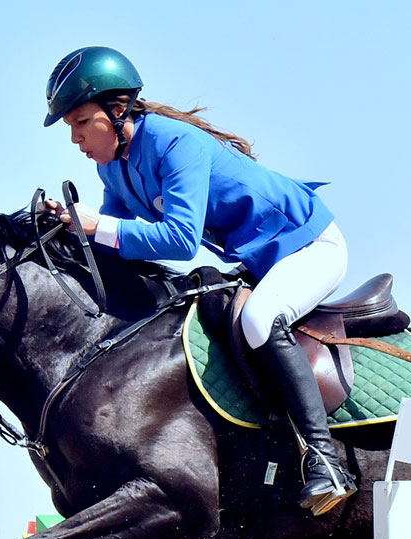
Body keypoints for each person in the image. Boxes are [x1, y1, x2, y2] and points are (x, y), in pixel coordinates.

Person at [42, 46, 356, 515]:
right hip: (258, 261)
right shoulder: (113, 166)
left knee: (260, 320)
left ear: (117, 109)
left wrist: (96, 227)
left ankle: (325, 460)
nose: (75, 139)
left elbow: (179, 240)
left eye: (81, 122)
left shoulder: (175, 143)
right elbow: (114, 244)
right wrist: (67, 234)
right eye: (71, 126)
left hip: (310, 247)